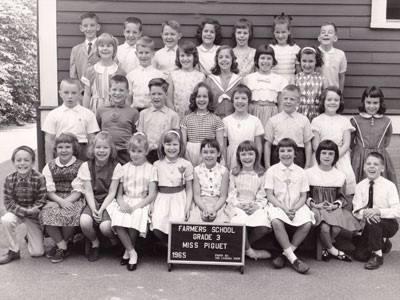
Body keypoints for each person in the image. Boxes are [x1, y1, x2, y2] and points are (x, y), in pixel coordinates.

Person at [106, 133, 157, 271]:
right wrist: (122, 203)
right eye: (133, 151)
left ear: (146, 151)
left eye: (140, 151)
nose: (136, 154)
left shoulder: (151, 168)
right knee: (118, 218)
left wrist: (136, 206)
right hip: (126, 199)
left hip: (142, 201)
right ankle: (132, 251)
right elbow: (119, 193)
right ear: (128, 151)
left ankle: (128, 251)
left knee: (135, 217)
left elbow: (152, 194)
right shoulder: (124, 168)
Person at [265, 138, 315, 274]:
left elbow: (303, 196)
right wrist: (284, 209)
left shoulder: (301, 172)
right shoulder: (272, 171)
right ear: (277, 153)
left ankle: (285, 254)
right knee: (276, 221)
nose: (286, 154)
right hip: (278, 205)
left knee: (307, 223)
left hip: (296, 206)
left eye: (289, 151)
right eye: (282, 151)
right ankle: (294, 259)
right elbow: (270, 195)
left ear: (295, 153)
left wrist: (294, 208)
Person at [305, 140, 360, 262]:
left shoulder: (340, 175)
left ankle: (325, 247)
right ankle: (334, 250)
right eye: (324, 153)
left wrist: (334, 205)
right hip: (316, 207)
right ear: (318, 155)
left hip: (332, 208)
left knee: (336, 229)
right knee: (324, 228)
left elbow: (342, 197)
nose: (327, 156)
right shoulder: (309, 173)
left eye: (331, 154)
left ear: (335, 156)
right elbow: (305, 194)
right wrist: (314, 204)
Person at [39, 133, 85, 263]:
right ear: (56, 149)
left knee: (70, 212)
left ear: (74, 148)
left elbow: (79, 190)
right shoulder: (49, 166)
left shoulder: (81, 165)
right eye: (60, 147)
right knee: (46, 214)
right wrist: (59, 202)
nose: (64, 150)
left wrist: (66, 202)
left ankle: (61, 245)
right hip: (54, 197)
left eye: (67, 147)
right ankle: (63, 246)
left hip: (73, 197)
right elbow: (48, 189)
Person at [77, 132, 122, 262]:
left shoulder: (116, 166)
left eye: (105, 148)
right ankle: (94, 243)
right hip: (92, 200)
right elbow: (88, 191)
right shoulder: (86, 166)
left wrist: (101, 209)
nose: (101, 151)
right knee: (84, 222)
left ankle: (114, 242)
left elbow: (112, 192)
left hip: (109, 202)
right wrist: (94, 209)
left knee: (106, 227)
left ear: (111, 149)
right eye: (98, 147)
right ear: (93, 149)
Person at [353, 152, 400, 270]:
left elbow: (397, 211)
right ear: (364, 167)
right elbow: (356, 210)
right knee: (360, 256)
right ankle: (382, 243)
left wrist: (378, 211)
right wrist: (366, 213)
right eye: (368, 164)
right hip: (368, 223)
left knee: (374, 220)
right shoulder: (360, 186)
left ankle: (377, 255)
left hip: (388, 224)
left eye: (376, 164)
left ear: (382, 168)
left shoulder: (389, 186)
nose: (372, 166)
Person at [0, 146, 46, 264]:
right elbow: (9, 203)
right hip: (17, 212)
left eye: (26, 160)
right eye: (18, 160)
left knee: (37, 253)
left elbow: (41, 200)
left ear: (33, 162)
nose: (22, 163)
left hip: (33, 214)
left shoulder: (39, 178)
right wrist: (25, 211)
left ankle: (29, 235)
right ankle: (13, 250)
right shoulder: (10, 179)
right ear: (13, 162)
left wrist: (32, 211)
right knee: (6, 220)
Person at [226, 141, 272, 260]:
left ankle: (242, 247)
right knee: (239, 221)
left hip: (254, 204)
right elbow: (231, 193)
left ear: (256, 156)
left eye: (250, 154)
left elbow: (262, 194)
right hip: (237, 204)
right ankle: (250, 252)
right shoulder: (234, 172)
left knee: (264, 226)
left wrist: (256, 205)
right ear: (239, 157)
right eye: (244, 154)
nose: (247, 157)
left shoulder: (261, 173)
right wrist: (239, 205)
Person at [311, 86, 356, 195]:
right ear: (323, 101)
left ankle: (342, 201)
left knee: (346, 175)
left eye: (336, 100)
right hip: (321, 155)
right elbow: (316, 145)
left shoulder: (344, 121)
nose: (333, 103)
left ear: (340, 102)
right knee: (319, 177)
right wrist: (325, 157)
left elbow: (346, 144)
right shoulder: (317, 120)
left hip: (340, 156)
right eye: (329, 99)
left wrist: (334, 157)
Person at [42, 78, 99, 162]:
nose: (70, 96)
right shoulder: (53, 114)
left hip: (82, 152)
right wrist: (49, 162)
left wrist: (91, 161)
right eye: (66, 92)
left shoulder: (88, 114)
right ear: (60, 93)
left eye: (74, 93)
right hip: (62, 151)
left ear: (80, 93)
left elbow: (92, 139)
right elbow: (49, 140)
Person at [151, 129, 193, 244]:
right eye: (168, 144)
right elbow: (154, 189)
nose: (171, 148)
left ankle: (175, 248)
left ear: (180, 146)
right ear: (163, 146)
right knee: (157, 223)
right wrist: (152, 204)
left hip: (179, 198)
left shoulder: (186, 164)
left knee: (178, 223)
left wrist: (187, 207)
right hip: (162, 198)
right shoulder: (157, 164)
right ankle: (168, 246)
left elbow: (189, 189)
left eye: (175, 144)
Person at [350, 86, 397, 185]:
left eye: (375, 103)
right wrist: (360, 151)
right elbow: (351, 142)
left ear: (380, 103)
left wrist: (377, 149)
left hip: (379, 156)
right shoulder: (355, 120)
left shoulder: (386, 121)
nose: (371, 106)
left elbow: (386, 141)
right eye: (368, 102)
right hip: (360, 158)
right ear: (363, 102)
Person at [264, 84, 313, 169]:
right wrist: (267, 165)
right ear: (280, 100)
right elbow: (267, 144)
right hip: (277, 155)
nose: (288, 101)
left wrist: (307, 165)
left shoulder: (304, 120)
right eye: (285, 98)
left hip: (298, 156)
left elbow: (308, 144)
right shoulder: (273, 120)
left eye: (292, 99)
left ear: (298, 101)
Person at [96, 74, 139, 165]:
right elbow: (98, 130)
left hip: (125, 153)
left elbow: (135, 134)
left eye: (121, 90)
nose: (117, 93)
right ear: (109, 91)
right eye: (114, 89)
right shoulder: (101, 110)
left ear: (127, 92)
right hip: (106, 152)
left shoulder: (133, 112)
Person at [180, 82, 225, 166]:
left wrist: (217, 157)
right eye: (198, 96)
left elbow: (220, 144)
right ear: (194, 98)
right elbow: (183, 143)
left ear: (210, 99)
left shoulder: (216, 119)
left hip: (208, 153)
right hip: (190, 155)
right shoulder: (186, 119)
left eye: (205, 96)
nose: (201, 99)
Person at [137, 78, 180, 164]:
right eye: (153, 94)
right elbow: (140, 136)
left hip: (166, 155)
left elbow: (176, 139)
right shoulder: (143, 114)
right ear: (149, 95)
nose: (156, 97)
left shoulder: (173, 115)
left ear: (166, 94)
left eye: (160, 94)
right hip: (147, 154)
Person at [243, 44, 288, 128]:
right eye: (262, 58)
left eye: (269, 58)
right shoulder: (248, 79)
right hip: (252, 112)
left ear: (273, 61)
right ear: (257, 60)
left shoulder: (280, 80)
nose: (265, 61)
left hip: (272, 112)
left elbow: (281, 103)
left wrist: (280, 120)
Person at [223, 84, 264, 170]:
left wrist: (258, 162)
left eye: (244, 98)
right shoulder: (226, 121)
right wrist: (225, 163)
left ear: (249, 101)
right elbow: (223, 145)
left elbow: (258, 145)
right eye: (237, 98)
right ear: (232, 101)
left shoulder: (255, 121)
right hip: (232, 156)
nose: (240, 101)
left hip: (249, 156)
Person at [82, 33, 125, 113]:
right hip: (95, 109)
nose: (105, 48)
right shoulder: (90, 70)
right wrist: (85, 113)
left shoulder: (119, 71)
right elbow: (87, 94)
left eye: (109, 46)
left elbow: (124, 95)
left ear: (114, 49)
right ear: (97, 49)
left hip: (114, 109)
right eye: (102, 46)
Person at [189, 139, 229, 223]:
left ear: (218, 153)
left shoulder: (224, 171)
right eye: (205, 152)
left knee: (222, 222)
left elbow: (223, 196)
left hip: (218, 203)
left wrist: (214, 209)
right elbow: (196, 195)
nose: (209, 155)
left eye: (212, 152)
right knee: (195, 221)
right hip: (201, 203)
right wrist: (204, 209)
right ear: (201, 154)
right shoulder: (196, 170)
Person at [167, 40, 205, 118]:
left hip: (195, 116)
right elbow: (168, 99)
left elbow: (203, 98)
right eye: (182, 55)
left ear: (194, 57)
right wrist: (174, 114)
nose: (185, 58)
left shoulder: (201, 77)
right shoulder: (173, 75)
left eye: (188, 55)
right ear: (178, 57)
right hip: (176, 115)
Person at [126, 36, 166, 111]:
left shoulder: (159, 75)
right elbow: (128, 98)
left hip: (153, 111)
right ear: (136, 54)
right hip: (135, 111)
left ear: (153, 54)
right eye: (141, 53)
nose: (143, 56)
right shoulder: (131, 75)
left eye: (147, 52)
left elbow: (163, 97)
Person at [204, 45, 242, 119]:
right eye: (220, 57)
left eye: (227, 57)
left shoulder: (239, 80)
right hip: (214, 120)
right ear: (217, 60)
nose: (224, 59)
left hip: (234, 120)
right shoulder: (210, 80)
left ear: (232, 59)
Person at [295, 46, 325, 121]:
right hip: (299, 113)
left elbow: (324, 98)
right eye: (304, 61)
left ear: (316, 62)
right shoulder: (296, 78)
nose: (307, 65)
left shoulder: (321, 79)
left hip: (316, 114)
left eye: (311, 61)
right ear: (300, 61)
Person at [270, 13, 301, 84]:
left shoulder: (295, 49)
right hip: (274, 82)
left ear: (289, 31)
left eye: (283, 32)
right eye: (277, 32)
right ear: (273, 33)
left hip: (290, 82)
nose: (280, 36)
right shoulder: (271, 48)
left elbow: (299, 71)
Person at [70, 12, 100, 80]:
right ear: (81, 28)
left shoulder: (103, 47)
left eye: (92, 25)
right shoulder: (75, 50)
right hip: (81, 89)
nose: (89, 29)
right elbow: (73, 75)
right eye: (85, 26)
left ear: (97, 27)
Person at [318, 22, 347, 92]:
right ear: (319, 38)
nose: (326, 34)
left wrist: (340, 93)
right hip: (317, 92)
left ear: (335, 38)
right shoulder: (315, 53)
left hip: (333, 93)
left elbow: (341, 77)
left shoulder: (340, 54)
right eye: (323, 32)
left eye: (330, 32)